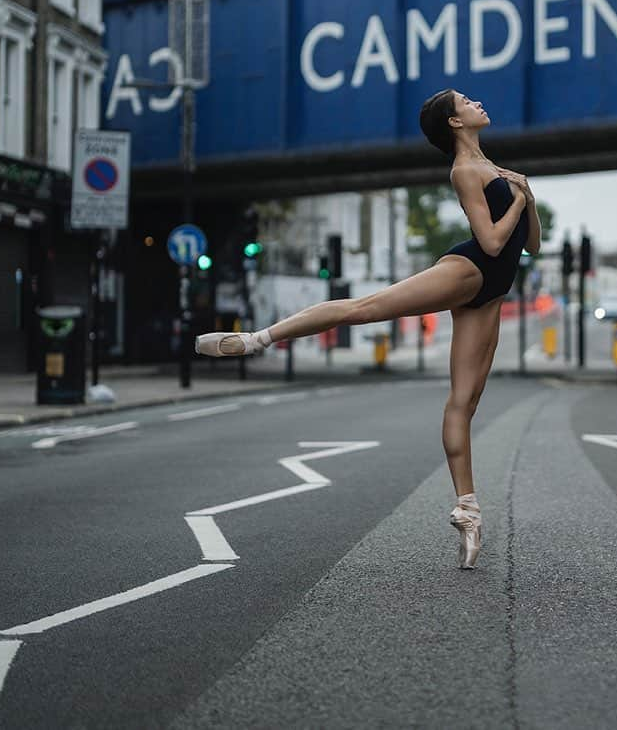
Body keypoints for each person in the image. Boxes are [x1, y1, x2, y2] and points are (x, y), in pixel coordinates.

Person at [195, 89, 542, 569]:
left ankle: (467, 510)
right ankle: (255, 339)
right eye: (465, 100)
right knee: (365, 308)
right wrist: (520, 200)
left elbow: (532, 246)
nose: (477, 101)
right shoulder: (466, 171)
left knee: (463, 402)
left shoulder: (499, 170)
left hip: (495, 290)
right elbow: (492, 238)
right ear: (455, 123)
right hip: (469, 270)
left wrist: (529, 196)